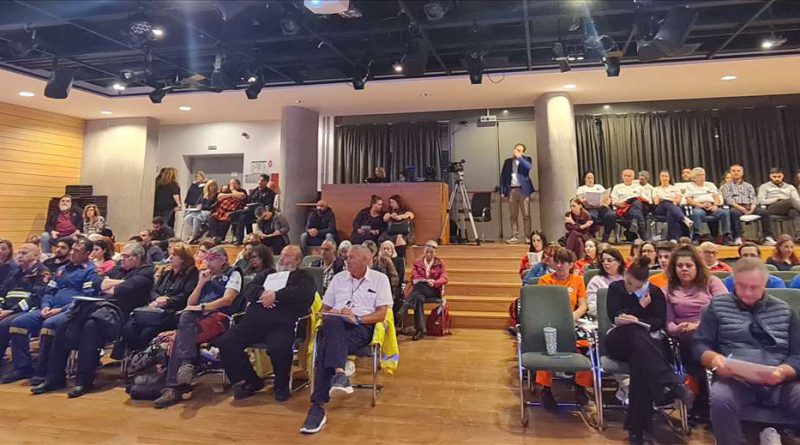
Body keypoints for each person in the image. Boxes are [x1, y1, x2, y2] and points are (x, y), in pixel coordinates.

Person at [693, 258, 800, 445]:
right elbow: (699, 344)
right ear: (734, 283)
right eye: (741, 287)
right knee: (720, 398)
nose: (747, 293)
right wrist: (714, 359)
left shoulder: (785, 311)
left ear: (764, 285)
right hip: (736, 379)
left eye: (754, 287)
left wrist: (784, 371)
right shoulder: (717, 307)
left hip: (781, 380)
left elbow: (798, 354)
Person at [32, 242, 154, 397]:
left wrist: (110, 284)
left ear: (137, 258)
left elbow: (120, 290)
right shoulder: (118, 269)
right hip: (98, 309)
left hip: (121, 315)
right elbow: (96, 283)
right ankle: (54, 377)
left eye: (126, 256)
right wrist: (114, 283)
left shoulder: (146, 272)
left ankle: (83, 381)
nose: (121, 259)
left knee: (91, 327)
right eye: (122, 255)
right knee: (63, 324)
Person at [299, 245, 393, 434]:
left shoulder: (380, 279)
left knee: (326, 345)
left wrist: (356, 318)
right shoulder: (339, 278)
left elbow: (382, 314)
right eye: (346, 257)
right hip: (335, 325)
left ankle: (318, 407)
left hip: (360, 328)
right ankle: (339, 373)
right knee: (332, 321)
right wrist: (334, 312)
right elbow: (323, 309)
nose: (346, 260)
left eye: (351, 257)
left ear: (366, 260)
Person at [218, 245, 315, 402]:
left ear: (297, 260)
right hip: (253, 322)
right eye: (282, 255)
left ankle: (281, 386)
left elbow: (304, 295)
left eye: (287, 256)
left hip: (282, 324)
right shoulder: (268, 274)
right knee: (227, 342)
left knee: (279, 347)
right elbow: (249, 289)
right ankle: (249, 380)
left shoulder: (304, 277)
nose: (282, 258)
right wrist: (263, 293)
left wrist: (276, 296)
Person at [604, 256, 684, 445]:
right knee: (635, 333)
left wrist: (639, 321)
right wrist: (639, 307)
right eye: (629, 283)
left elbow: (659, 321)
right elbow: (613, 315)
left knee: (640, 363)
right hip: (619, 340)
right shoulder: (616, 288)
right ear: (625, 275)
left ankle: (636, 430)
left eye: (636, 286)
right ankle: (667, 383)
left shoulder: (655, 293)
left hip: (645, 346)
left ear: (645, 282)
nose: (631, 288)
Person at [154, 246, 243, 408]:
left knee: (180, 334)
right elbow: (190, 302)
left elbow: (227, 300)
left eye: (212, 260)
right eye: (207, 259)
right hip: (197, 319)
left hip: (220, 318)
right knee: (184, 326)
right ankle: (181, 374)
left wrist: (202, 307)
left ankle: (176, 382)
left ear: (223, 260)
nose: (208, 263)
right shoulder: (204, 276)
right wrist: (201, 283)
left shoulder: (233, 273)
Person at [6, 238, 96, 384]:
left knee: (49, 325)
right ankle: (22, 367)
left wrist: (60, 309)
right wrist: (46, 305)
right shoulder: (62, 270)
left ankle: (45, 372)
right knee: (18, 323)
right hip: (49, 309)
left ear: (87, 253)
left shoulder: (91, 271)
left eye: (77, 251)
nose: (72, 253)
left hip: (71, 311)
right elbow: (49, 291)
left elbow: (85, 297)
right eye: (72, 249)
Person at [664, 243, 727, 421]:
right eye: (679, 265)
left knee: (700, 343)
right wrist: (676, 329)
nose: (684, 269)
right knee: (685, 344)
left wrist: (698, 325)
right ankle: (702, 400)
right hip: (682, 336)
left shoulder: (712, 282)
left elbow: (724, 311)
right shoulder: (669, 289)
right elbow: (668, 321)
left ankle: (706, 401)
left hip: (712, 331)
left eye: (688, 265)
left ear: (697, 266)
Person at [535, 248, 591, 408]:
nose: (559, 266)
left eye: (564, 263)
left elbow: (583, 305)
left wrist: (572, 317)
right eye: (557, 262)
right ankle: (546, 389)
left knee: (586, 346)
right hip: (549, 321)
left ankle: (580, 386)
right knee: (545, 346)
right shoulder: (545, 280)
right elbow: (542, 304)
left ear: (571, 264)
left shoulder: (578, 280)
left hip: (571, 321)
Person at [121, 243, 199, 353]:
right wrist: (157, 299)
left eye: (174, 255)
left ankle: (146, 357)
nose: (170, 257)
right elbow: (153, 290)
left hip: (173, 312)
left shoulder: (192, 274)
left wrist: (168, 301)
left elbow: (186, 295)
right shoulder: (167, 272)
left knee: (147, 333)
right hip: (157, 309)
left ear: (183, 258)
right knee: (129, 328)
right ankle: (135, 356)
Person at [0, 244, 49, 374]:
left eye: (24, 253)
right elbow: (2, 292)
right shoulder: (14, 272)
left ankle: (22, 367)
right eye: (19, 253)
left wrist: (11, 311)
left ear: (36, 256)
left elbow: (35, 297)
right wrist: (1, 307)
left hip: (28, 310)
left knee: (5, 324)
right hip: (7, 310)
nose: (20, 256)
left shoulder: (42, 272)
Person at [399, 241, 447, 341]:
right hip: (420, 289)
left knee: (418, 288)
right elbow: (414, 275)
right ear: (424, 252)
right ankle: (419, 330)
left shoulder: (440, 263)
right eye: (427, 252)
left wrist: (434, 282)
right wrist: (424, 280)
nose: (428, 254)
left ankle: (406, 306)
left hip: (433, 290)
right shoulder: (418, 262)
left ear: (435, 252)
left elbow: (444, 278)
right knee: (418, 297)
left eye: (431, 252)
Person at [684, 167, 732, 245]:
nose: (702, 177)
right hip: (699, 207)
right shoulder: (689, 186)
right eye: (699, 175)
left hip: (712, 205)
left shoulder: (710, 184)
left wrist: (715, 205)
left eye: (703, 175)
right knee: (696, 213)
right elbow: (689, 200)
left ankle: (727, 237)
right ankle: (696, 237)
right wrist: (701, 205)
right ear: (694, 177)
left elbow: (716, 197)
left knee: (724, 213)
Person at [499, 143, 535, 244]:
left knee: (526, 215)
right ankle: (514, 236)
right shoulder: (507, 162)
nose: (517, 151)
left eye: (519, 150)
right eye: (516, 149)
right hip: (512, 190)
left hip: (524, 190)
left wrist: (520, 158)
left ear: (523, 152)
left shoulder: (527, 159)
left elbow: (528, 167)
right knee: (513, 215)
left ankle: (527, 236)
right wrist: (502, 191)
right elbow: (503, 177)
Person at [756, 167, 800, 244]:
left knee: (795, 212)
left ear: (782, 176)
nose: (777, 178)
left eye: (779, 176)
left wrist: (785, 200)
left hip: (788, 207)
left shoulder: (790, 187)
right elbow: (760, 201)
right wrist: (775, 199)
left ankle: (799, 235)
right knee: (791, 200)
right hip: (772, 207)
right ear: (770, 176)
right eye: (774, 177)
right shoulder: (764, 186)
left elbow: (797, 200)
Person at [233, 174, 277, 246]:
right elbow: (248, 202)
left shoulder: (270, 193)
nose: (260, 182)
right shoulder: (254, 191)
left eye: (262, 181)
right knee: (242, 217)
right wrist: (246, 206)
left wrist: (266, 211)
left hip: (262, 213)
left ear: (266, 182)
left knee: (248, 211)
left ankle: (237, 213)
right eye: (259, 180)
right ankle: (239, 239)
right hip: (251, 212)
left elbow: (269, 205)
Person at [722, 243, 786, 292]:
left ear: (759, 258)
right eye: (745, 255)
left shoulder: (776, 282)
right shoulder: (730, 281)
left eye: (753, 255)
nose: (749, 258)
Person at [720, 164, 757, 246]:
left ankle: (767, 237)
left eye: (738, 171)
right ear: (730, 173)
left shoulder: (748, 185)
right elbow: (728, 199)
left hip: (749, 206)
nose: (736, 172)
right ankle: (737, 237)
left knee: (765, 212)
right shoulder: (726, 186)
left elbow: (754, 197)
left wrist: (752, 207)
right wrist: (741, 208)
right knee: (734, 212)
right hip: (736, 206)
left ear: (742, 173)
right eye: (733, 171)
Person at [652, 170, 693, 242]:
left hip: (672, 208)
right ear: (659, 178)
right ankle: (683, 218)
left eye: (666, 176)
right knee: (666, 203)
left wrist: (664, 198)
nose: (664, 178)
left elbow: (678, 201)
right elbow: (656, 202)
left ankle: (673, 239)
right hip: (660, 209)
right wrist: (670, 199)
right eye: (662, 176)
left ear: (669, 178)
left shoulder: (675, 188)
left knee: (670, 214)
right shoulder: (655, 189)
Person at [610, 169, 650, 241]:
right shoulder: (617, 187)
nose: (627, 178)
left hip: (639, 207)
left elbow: (646, 200)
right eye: (625, 176)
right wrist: (618, 204)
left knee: (636, 202)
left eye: (629, 176)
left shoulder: (639, 187)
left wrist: (635, 200)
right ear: (622, 177)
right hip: (624, 209)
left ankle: (635, 222)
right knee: (635, 205)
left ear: (633, 177)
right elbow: (614, 201)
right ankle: (642, 231)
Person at [576, 171, 615, 242]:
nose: (590, 180)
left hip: (602, 207)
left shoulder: (599, 186)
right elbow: (580, 199)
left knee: (610, 215)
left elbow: (608, 197)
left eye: (592, 178)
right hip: (590, 208)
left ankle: (606, 235)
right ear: (585, 179)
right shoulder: (581, 188)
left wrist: (607, 203)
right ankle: (591, 236)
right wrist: (584, 202)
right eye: (588, 178)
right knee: (591, 217)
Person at [585, 247, 625, 317]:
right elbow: (592, 307)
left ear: (619, 262)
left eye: (609, 260)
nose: (605, 263)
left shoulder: (627, 279)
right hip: (603, 317)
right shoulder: (596, 281)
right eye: (603, 261)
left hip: (627, 317)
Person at [184, 179, 219, 243]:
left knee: (197, 218)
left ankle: (194, 235)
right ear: (208, 186)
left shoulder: (217, 195)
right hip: (201, 211)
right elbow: (199, 203)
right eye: (212, 185)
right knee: (188, 218)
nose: (213, 187)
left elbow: (214, 206)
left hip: (210, 211)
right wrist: (198, 206)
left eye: (215, 185)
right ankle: (198, 231)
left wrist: (202, 206)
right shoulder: (204, 194)